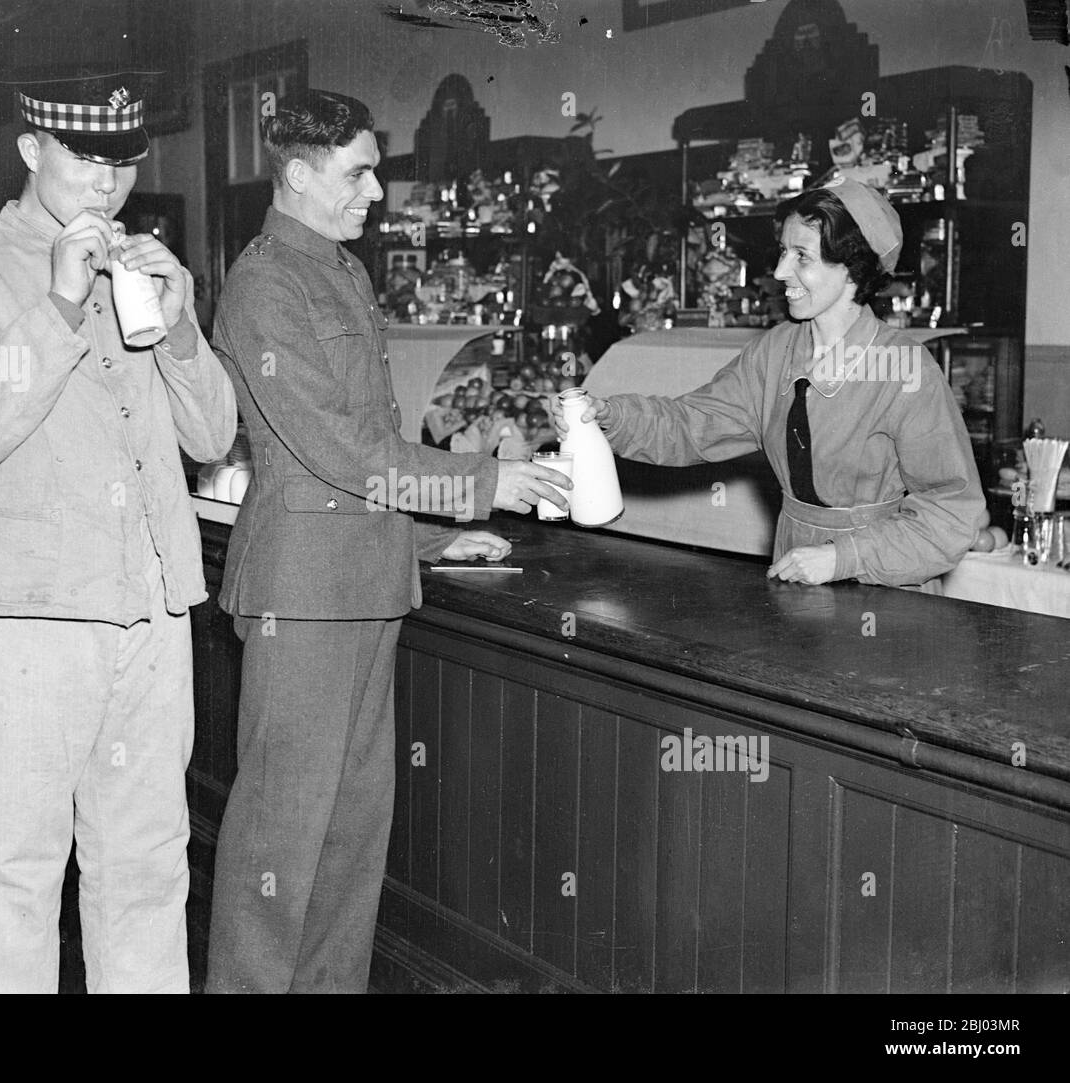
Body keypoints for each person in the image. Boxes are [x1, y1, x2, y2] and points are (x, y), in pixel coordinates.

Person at [206, 89, 569, 993]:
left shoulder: (342, 270)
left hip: (366, 583)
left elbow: (360, 458)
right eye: (358, 171)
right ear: (298, 173)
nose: (376, 191)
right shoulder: (263, 283)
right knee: (279, 842)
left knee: (350, 838)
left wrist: (435, 541)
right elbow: (340, 448)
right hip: (304, 597)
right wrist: (484, 486)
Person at [0, 71, 236, 992]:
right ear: (28, 151)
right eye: (85, 158)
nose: (108, 183)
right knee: (14, 877)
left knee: (147, 870)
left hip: (153, 617)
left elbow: (212, 438)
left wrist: (179, 330)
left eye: (124, 161)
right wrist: (55, 304)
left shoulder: (144, 266)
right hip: (27, 623)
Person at [555, 177, 984, 587]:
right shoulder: (774, 351)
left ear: (853, 266)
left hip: (884, 579)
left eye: (802, 256)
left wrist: (842, 557)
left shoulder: (904, 367)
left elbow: (951, 513)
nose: (780, 271)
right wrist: (611, 417)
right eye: (783, 251)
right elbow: (693, 424)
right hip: (794, 567)